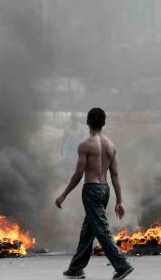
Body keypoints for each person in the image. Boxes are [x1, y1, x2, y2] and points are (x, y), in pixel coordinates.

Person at [55, 107, 133, 280]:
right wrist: (119, 201)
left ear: (87, 122)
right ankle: (76, 268)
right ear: (103, 123)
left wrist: (64, 194)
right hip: (105, 189)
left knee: (101, 229)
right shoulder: (111, 146)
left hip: (91, 189)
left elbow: (78, 174)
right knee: (89, 229)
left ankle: (122, 266)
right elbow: (115, 175)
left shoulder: (85, 145)